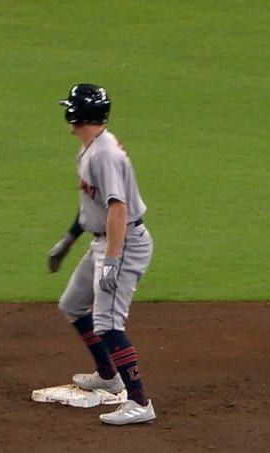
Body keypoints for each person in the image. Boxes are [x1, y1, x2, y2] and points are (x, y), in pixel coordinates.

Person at [45, 83, 156, 425]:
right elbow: (92, 207)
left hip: (122, 243)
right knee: (73, 305)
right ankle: (109, 375)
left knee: (108, 323)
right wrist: (68, 240)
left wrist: (111, 260)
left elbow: (117, 209)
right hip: (104, 240)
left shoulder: (104, 154)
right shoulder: (91, 148)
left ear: (78, 114)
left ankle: (139, 402)